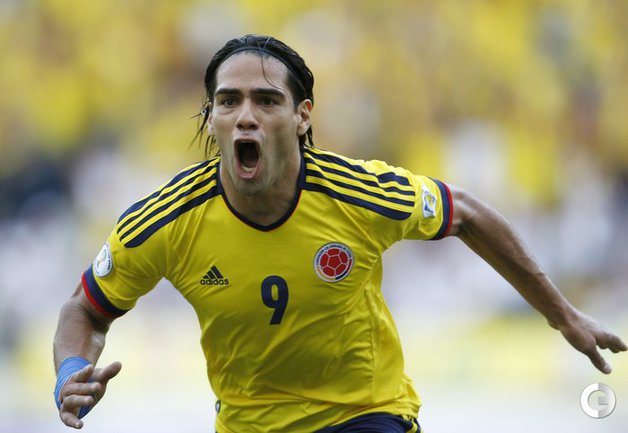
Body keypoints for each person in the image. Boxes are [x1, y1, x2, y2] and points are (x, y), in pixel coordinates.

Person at [53, 34, 626, 432]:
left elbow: (467, 214)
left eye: (266, 100)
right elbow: (85, 310)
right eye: (228, 102)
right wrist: (71, 374)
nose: (245, 115)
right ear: (212, 117)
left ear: (302, 115)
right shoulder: (166, 220)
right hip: (249, 425)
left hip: (366, 414)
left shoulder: (358, 194)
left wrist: (562, 316)